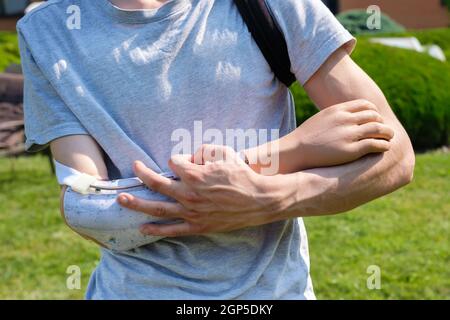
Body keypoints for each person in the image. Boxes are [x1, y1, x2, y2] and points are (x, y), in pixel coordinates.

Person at [17, 0, 414, 299]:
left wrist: (274, 198)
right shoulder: (48, 30)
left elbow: (396, 158)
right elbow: (88, 210)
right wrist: (292, 152)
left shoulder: (270, 5)